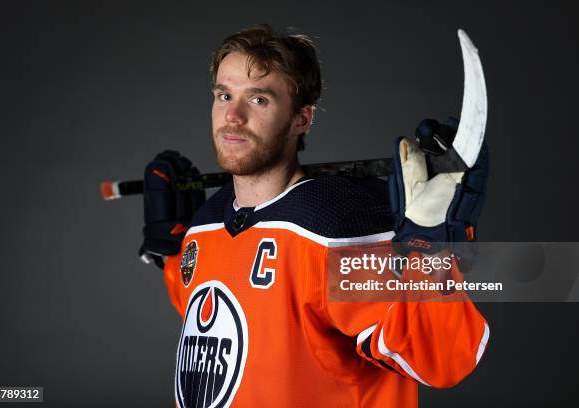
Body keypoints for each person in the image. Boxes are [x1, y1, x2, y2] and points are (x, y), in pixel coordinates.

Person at [140, 24, 489, 408]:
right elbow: (226, 310)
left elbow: (443, 359)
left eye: (258, 100)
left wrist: (429, 252)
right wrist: (172, 252)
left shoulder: (337, 229)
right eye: (224, 95)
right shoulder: (206, 223)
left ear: (301, 119)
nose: (233, 116)